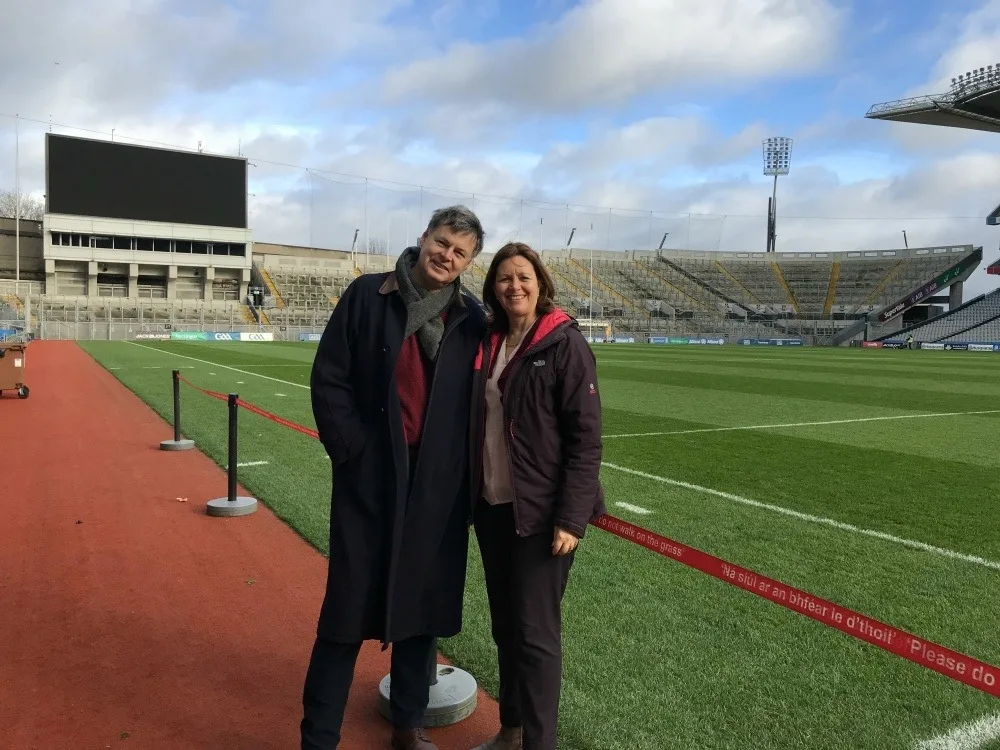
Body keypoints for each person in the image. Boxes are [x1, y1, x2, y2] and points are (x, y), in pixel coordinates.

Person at [302, 205, 487, 750]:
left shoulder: (470, 318)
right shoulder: (368, 294)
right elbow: (329, 380)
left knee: (420, 612)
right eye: (442, 242)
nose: (447, 256)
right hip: (371, 481)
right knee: (343, 613)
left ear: (468, 262)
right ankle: (319, 737)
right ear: (424, 237)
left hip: (436, 489)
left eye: (460, 252)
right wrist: (355, 452)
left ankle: (407, 725)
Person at [468, 242, 605, 750]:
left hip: (543, 517)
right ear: (494, 288)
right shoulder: (490, 341)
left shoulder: (564, 344)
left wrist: (571, 518)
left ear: (540, 283)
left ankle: (539, 744)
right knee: (506, 627)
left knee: (536, 635)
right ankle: (511, 729)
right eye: (504, 278)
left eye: (523, 277)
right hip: (493, 507)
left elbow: (586, 440)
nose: (514, 286)